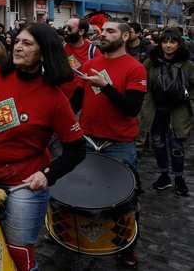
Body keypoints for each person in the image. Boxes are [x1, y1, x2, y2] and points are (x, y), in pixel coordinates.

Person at [0, 24, 85, 271]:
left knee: (18, 254)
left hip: (25, 182)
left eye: (27, 44)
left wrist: (47, 175)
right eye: (17, 41)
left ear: (44, 53)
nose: (18, 46)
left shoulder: (55, 98)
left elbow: (77, 149)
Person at [71, 18, 147, 267]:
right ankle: (78, 237)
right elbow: (77, 103)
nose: (103, 34)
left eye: (110, 31)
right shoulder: (91, 64)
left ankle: (127, 246)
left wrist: (106, 87)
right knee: (82, 191)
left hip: (119, 145)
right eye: (102, 31)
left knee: (125, 198)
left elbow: (131, 108)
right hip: (87, 141)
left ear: (125, 37)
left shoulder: (135, 68)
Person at [139, 28, 192, 196]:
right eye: (165, 41)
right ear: (160, 43)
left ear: (178, 44)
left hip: (178, 111)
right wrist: (145, 107)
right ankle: (164, 176)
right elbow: (144, 86)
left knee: (177, 146)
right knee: (158, 145)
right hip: (157, 110)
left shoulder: (188, 65)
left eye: (173, 42)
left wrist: (190, 104)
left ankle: (179, 178)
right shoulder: (150, 62)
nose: (168, 45)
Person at [61, 17, 102, 99]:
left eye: (69, 28)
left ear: (81, 31)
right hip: (62, 97)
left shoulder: (93, 51)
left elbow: (100, 80)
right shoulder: (62, 46)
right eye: (64, 27)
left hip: (82, 100)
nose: (65, 30)